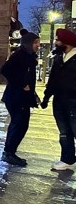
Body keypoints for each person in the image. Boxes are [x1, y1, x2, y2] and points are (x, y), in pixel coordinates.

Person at [0, 31, 41, 166]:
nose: (38, 45)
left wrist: (33, 94)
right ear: (28, 43)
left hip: (21, 97)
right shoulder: (19, 55)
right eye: (35, 43)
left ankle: (10, 151)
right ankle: (9, 152)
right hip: (15, 97)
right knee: (19, 125)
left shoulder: (28, 57)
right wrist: (21, 84)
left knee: (20, 125)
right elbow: (5, 70)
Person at [41, 29, 76, 170]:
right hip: (59, 101)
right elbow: (53, 81)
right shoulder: (58, 58)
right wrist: (46, 97)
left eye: (58, 40)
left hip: (73, 101)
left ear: (67, 42)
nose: (56, 42)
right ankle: (68, 159)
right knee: (64, 131)